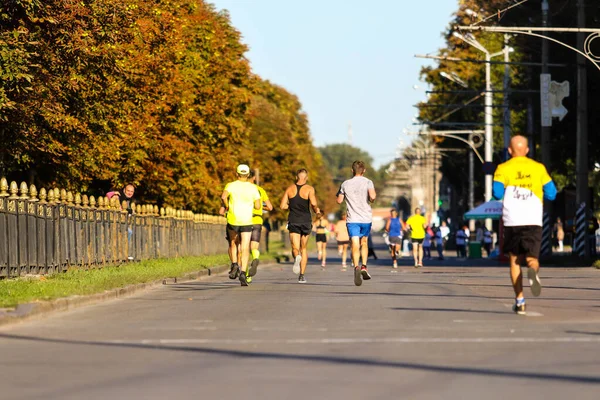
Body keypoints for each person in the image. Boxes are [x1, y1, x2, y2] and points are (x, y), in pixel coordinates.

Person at [493, 135, 557, 315]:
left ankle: (520, 300)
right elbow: (552, 193)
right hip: (533, 220)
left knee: (514, 259)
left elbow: (497, 193)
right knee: (531, 258)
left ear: (510, 150)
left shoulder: (503, 168)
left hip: (512, 220)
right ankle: (533, 271)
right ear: (527, 150)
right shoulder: (538, 168)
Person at [219, 164, 261, 287]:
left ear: (236, 174)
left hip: (233, 219)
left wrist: (227, 205)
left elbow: (223, 196)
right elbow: (258, 206)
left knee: (233, 242)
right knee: (245, 246)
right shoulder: (253, 188)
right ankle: (243, 272)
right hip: (247, 220)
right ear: (248, 175)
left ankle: (234, 264)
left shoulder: (230, 185)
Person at [336, 160, 377, 286]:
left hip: (352, 219)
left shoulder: (345, 184)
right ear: (363, 171)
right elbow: (373, 197)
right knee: (363, 242)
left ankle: (356, 267)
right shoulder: (368, 182)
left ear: (352, 170)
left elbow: (339, 200)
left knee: (354, 243)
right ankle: (364, 266)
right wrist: (369, 198)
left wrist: (340, 193)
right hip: (365, 218)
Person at [280, 168, 321, 283]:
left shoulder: (289, 189)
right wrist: (316, 210)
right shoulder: (309, 189)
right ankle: (302, 275)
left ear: (296, 177)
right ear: (306, 178)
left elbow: (282, 206)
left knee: (295, 247)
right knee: (304, 248)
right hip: (306, 221)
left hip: (293, 220)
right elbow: (313, 203)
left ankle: (296, 257)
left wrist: (292, 206)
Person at [246, 171, 273, 283]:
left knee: (244, 247)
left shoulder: (242, 189)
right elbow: (270, 207)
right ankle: (256, 258)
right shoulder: (260, 190)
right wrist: (261, 207)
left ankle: (246, 274)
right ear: (254, 177)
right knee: (254, 246)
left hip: (244, 219)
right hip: (257, 220)